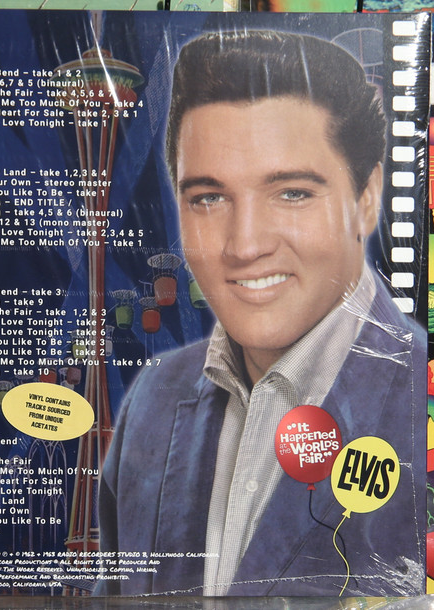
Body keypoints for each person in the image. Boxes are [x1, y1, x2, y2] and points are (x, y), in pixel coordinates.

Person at [96, 30, 426, 597]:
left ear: (368, 197)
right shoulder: (151, 400)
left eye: (292, 193)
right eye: (208, 197)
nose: (245, 245)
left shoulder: (421, 399)